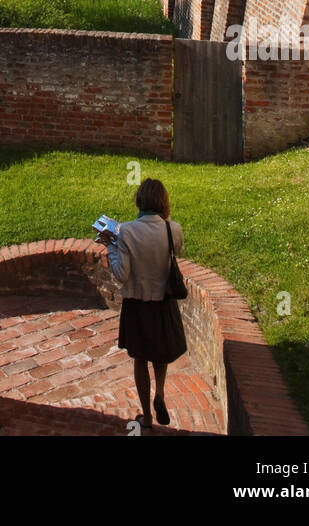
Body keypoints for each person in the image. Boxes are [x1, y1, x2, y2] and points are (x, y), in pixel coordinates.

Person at [96, 177, 186, 429]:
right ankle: (160, 392)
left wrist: (110, 245)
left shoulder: (125, 232)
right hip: (163, 302)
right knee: (160, 353)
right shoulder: (173, 229)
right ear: (164, 202)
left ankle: (146, 415)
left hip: (136, 304)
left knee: (140, 359)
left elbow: (121, 274)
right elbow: (176, 253)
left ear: (139, 201)